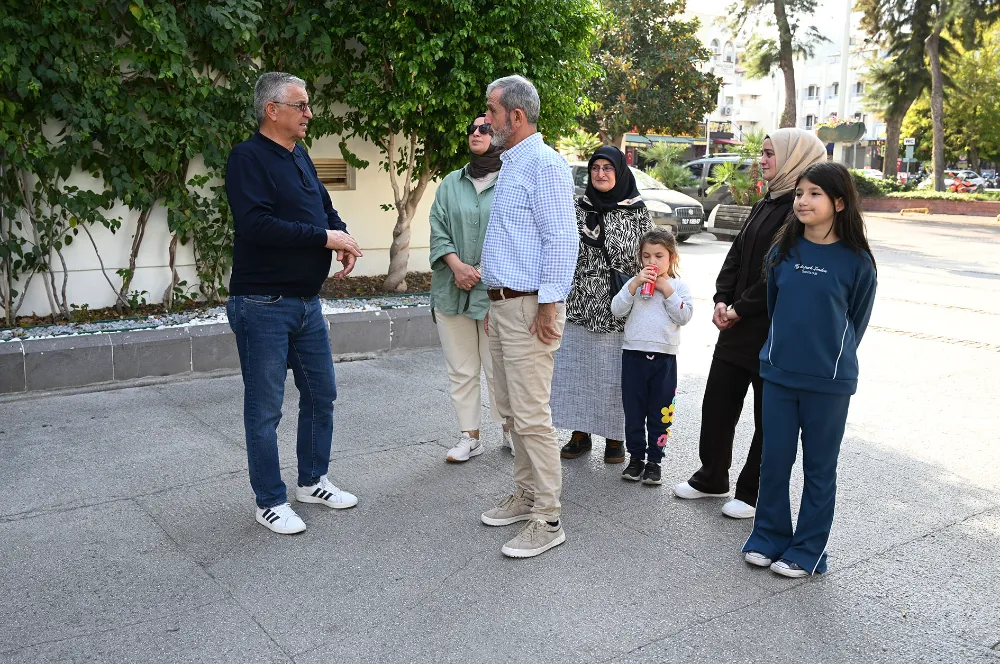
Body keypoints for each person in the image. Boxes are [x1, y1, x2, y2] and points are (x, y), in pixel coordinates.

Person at [224, 72, 363, 535]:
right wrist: (325, 237)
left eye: (307, 105)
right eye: (301, 105)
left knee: (321, 394)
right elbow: (256, 225)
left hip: (306, 303)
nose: (309, 113)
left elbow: (322, 206)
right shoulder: (247, 159)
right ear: (272, 110)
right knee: (265, 409)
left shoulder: (299, 155)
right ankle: (269, 500)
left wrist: (339, 236)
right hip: (261, 301)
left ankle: (312, 480)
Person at [673, 128, 827, 519]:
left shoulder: (801, 211)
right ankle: (711, 477)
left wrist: (741, 307)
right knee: (718, 403)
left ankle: (751, 492)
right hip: (737, 324)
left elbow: (781, 273)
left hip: (772, 329)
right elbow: (737, 254)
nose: (763, 159)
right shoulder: (768, 200)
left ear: (794, 157)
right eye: (763, 153)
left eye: (770, 153)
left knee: (767, 416)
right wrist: (723, 298)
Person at [742, 161, 876, 577]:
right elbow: (774, 309)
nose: (802, 201)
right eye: (800, 193)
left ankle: (810, 550)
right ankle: (767, 537)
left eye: (814, 193)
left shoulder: (858, 263)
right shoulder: (783, 251)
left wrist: (828, 359)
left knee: (819, 469)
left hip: (829, 384)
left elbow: (856, 321)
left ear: (839, 202)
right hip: (778, 374)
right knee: (774, 461)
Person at [477, 75, 578, 559]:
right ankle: (526, 495)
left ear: (516, 116)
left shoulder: (544, 164)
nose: (486, 119)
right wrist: (494, 305)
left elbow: (562, 239)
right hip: (505, 305)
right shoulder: (513, 164)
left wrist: (549, 303)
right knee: (512, 410)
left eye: (492, 111)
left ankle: (548, 516)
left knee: (533, 415)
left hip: (529, 305)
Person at [552, 147, 654, 465]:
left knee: (615, 376)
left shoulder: (637, 211)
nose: (600, 173)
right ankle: (580, 434)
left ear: (620, 172)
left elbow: (652, 256)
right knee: (579, 372)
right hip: (581, 303)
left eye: (608, 168)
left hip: (621, 306)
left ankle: (615, 437)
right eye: (595, 167)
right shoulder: (578, 208)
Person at [429, 114, 512, 462]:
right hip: (452, 288)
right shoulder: (451, 182)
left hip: (496, 290)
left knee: (500, 367)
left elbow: (513, 236)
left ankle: (511, 430)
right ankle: (470, 436)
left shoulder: (511, 180)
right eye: (472, 129)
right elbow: (438, 227)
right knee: (461, 368)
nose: (476, 133)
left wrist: (477, 270)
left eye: (485, 128)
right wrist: (456, 265)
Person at [610, 227, 694, 485]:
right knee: (634, 411)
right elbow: (616, 310)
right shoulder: (633, 284)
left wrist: (667, 290)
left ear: (672, 258)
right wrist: (634, 284)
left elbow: (685, 316)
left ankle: (654, 461)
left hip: (664, 358)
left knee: (661, 412)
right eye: (646, 256)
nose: (652, 262)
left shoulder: (677, 286)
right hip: (634, 354)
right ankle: (635, 459)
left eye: (659, 256)